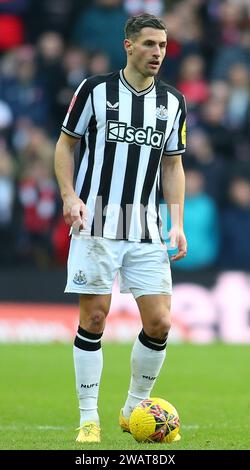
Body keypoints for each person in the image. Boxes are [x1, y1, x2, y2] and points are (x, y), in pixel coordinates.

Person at [54, 13, 187, 444]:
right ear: (128, 46)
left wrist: (177, 221)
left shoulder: (173, 102)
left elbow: (173, 163)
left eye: (163, 46)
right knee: (94, 318)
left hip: (145, 225)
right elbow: (65, 144)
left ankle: (133, 409)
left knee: (161, 323)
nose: (157, 53)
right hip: (96, 221)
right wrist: (69, 196)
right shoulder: (95, 89)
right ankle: (88, 417)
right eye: (149, 44)